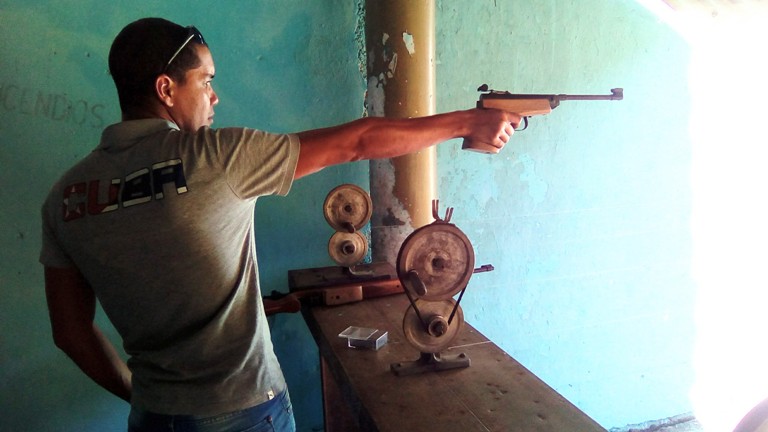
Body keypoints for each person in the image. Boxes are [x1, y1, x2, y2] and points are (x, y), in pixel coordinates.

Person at [39, 17, 521, 432]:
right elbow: (358, 141)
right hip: (244, 412)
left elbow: (70, 331)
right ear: (166, 89)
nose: (215, 96)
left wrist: (140, 396)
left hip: (151, 416)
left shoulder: (65, 196)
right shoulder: (214, 156)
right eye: (205, 81)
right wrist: (467, 123)